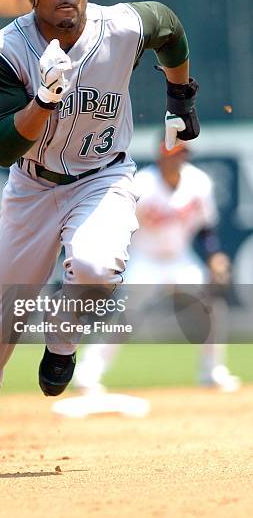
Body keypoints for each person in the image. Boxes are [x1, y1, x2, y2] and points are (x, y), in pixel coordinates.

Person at [0, 0, 201, 474]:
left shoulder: (123, 27)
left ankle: (62, 342)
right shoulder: (8, 50)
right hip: (32, 188)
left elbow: (171, 28)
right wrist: (43, 101)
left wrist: (181, 96)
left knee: (94, 264)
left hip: (104, 177)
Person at [73, 140, 240, 394]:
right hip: (145, 258)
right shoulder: (142, 185)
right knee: (124, 317)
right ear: (161, 156)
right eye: (172, 153)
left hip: (180, 258)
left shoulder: (198, 183)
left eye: (182, 153)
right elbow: (119, 227)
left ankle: (212, 372)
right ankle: (87, 374)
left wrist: (214, 255)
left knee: (210, 307)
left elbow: (206, 229)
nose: (177, 159)